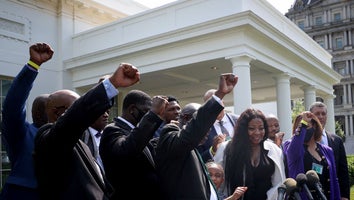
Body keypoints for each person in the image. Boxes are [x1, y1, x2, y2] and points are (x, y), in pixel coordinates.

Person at [33, 63, 140, 200]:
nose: (86, 114)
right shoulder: (47, 139)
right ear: (57, 112)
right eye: (73, 107)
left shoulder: (81, 141)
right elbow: (75, 117)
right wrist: (111, 84)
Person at [155, 73, 238, 200]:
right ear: (187, 119)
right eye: (206, 125)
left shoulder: (191, 147)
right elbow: (195, 128)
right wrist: (219, 94)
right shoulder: (170, 135)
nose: (208, 129)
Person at [0, 42, 53, 200]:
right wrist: (33, 65)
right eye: (56, 108)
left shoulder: (70, 137)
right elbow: (12, 107)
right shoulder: (23, 133)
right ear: (38, 112)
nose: (63, 113)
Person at [99, 90, 167, 200]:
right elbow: (126, 151)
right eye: (147, 111)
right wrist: (153, 115)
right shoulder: (112, 130)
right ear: (132, 110)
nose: (148, 115)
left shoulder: (138, 134)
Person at [214, 108, 286, 200]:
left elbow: (279, 183)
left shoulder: (274, 150)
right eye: (251, 129)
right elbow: (218, 184)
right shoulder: (226, 149)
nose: (257, 133)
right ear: (243, 129)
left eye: (261, 128)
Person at [283, 111, 340, 200]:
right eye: (300, 127)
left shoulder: (327, 151)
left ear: (315, 126)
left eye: (307, 126)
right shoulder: (290, 146)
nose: (304, 129)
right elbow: (294, 148)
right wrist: (304, 123)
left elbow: (334, 181)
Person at [309, 102, 349, 200]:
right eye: (317, 114)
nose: (321, 116)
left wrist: (344, 196)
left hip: (333, 193)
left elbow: (343, 171)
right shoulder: (306, 141)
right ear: (311, 116)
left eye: (323, 114)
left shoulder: (336, 140)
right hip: (312, 194)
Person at [197, 89, 238, 163]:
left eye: (217, 102)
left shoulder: (238, 120)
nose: (214, 107)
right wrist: (213, 150)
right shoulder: (201, 128)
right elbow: (198, 159)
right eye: (209, 104)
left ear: (223, 102)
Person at [81, 77, 110, 170]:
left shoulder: (110, 135)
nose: (106, 115)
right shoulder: (82, 135)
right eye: (102, 112)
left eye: (108, 112)